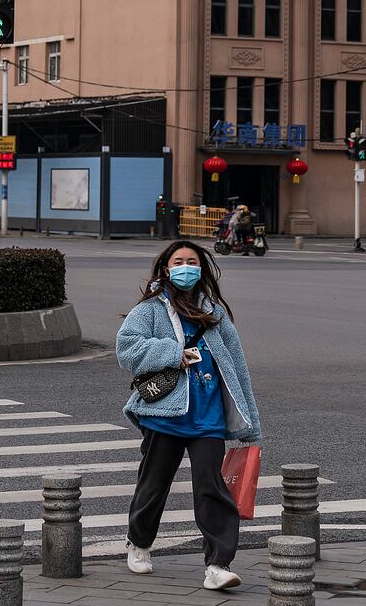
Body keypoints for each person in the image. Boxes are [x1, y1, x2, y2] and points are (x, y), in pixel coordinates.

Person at [117, 240, 262, 591]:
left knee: (212, 488)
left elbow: (238, 365)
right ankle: (138, 542)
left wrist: (250, 423)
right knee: (153, 485)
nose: (186, 267)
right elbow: (126, 349)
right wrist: (172, 353)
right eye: (178, 261)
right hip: (164, 413)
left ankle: (218, 564)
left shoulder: (215, 312)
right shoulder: (149, 310)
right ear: (166, 268)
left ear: (202, 268)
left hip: (208, 416)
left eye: (192, 261)